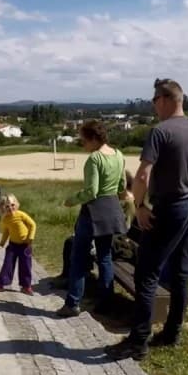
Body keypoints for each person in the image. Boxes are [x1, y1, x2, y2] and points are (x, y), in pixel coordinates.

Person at [105, 78, 188, 361]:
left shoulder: (160, 132)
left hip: (168, 209)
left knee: (146, 275)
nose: (153, 106)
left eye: (153, 101)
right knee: (181, 274)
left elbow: (143, 175)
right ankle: (172, 333)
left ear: (164, 99)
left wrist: (139, 204)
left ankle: (138, 341)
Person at [55, 120, 129, 318]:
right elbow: (122, 185)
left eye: (83, 140)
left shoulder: (94, 159)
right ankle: (105, 302)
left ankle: (72, 303)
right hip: (112, 210)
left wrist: (71, 200)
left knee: (79, 257)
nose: (83, 144)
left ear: (93, 138)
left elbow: (91, 191)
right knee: (105, 258)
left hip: (93, 213)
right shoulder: (119, 155)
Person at [0, 193, 36, 294]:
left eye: (12, 205)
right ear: (3, 208)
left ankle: (26, 286)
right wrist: (2, 242)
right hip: (13, 245)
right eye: (7, 206)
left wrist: (30, 238)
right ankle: (0, 284)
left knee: (26, 266)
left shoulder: (21, 215)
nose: (10, 208)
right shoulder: (5, 219)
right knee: (7, 264)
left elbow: (32, 225)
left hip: (25, 245)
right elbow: (6, 232)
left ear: (16, 204)